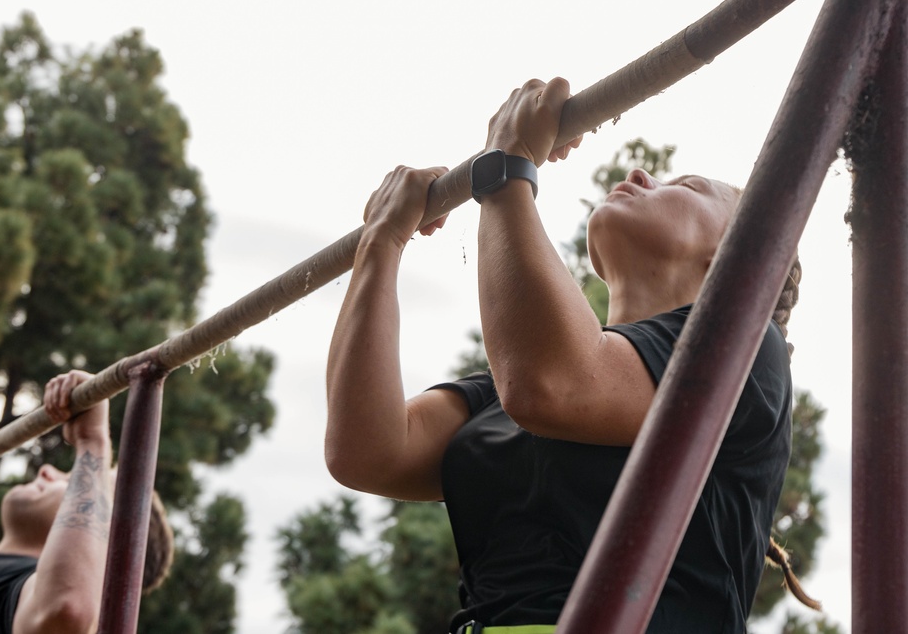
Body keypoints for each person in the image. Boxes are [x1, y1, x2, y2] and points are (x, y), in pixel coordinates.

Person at [325, 77, 806, 632]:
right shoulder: (509, 383)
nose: (639, 175)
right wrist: (381, 243)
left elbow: (551, 385)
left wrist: (507, 165)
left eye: (687, 187)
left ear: (734, 254)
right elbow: (368, 450)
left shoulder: (747, 354)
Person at [0, 370, 174, 634]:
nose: (47, 471)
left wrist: (93, 441)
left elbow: (66, 609)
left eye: (75, 479)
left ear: (106, 540)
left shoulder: (26, 587)